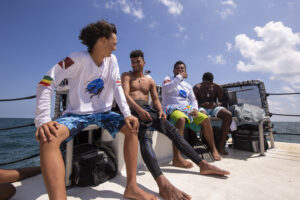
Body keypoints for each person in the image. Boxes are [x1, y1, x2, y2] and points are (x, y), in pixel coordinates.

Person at [34, 20, 157, 200]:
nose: (115, 48)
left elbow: (117, 88)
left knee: (132, 128)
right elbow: (46, 81)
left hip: (104, 113)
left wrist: (127, 114)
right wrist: (43, 119)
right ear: (102, 40)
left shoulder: (112, 61)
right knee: (48, 138)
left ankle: (131, 187)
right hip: (76, 114)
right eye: (114, 44)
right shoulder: (76, 59)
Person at [122, 50, 230, 200]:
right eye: (133, 62)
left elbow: (155, 99)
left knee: (174, 132)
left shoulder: (149, 80)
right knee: (145, 137)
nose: (135, 65)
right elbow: (125, 95)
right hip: (134, 109)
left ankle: (202, 164)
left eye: (138, 61)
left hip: (150, 110)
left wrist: (160, 111)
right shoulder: (127, 76)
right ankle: (162, 184)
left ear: (144, 63)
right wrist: (139, 110)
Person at [162, 61, 222, 165]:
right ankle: (177, 157)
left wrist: (194, 108)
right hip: (171, 108)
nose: (180, 70)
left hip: (186, 108)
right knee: (181, 119)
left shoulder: (187, 85)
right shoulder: (168, 79)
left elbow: (193, 99)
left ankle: (214, 149)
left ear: (186, 71)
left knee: (205, 118)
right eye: (178, 68)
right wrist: (179, 77)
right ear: (173, 70)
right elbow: (167, 89)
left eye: (182, 69)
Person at [193, 72, 233, 155]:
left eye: (210, 83)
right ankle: (210, 146)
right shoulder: (197, 87)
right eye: (205, 83)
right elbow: (193, 102)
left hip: (214, 107)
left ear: (212, 82)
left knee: (228, 115)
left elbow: (222, 101)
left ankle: (221, 146)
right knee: (204, 116)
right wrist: (202, 104)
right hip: (201, 107)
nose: (208, 85)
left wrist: (216, 104)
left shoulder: (217, 87)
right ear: (202, 81)